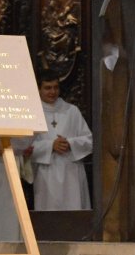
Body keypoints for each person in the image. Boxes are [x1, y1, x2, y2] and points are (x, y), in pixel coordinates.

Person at [26, 71, 93, 210]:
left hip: (72, 172)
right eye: (47, 88)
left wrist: (70, 143)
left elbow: (89, 140)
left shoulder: (72, 111)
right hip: (46, 174)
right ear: (38, 89)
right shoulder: (32, 113)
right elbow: (24, 147)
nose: (53, 92)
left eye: (56, 87)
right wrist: (51, 146)